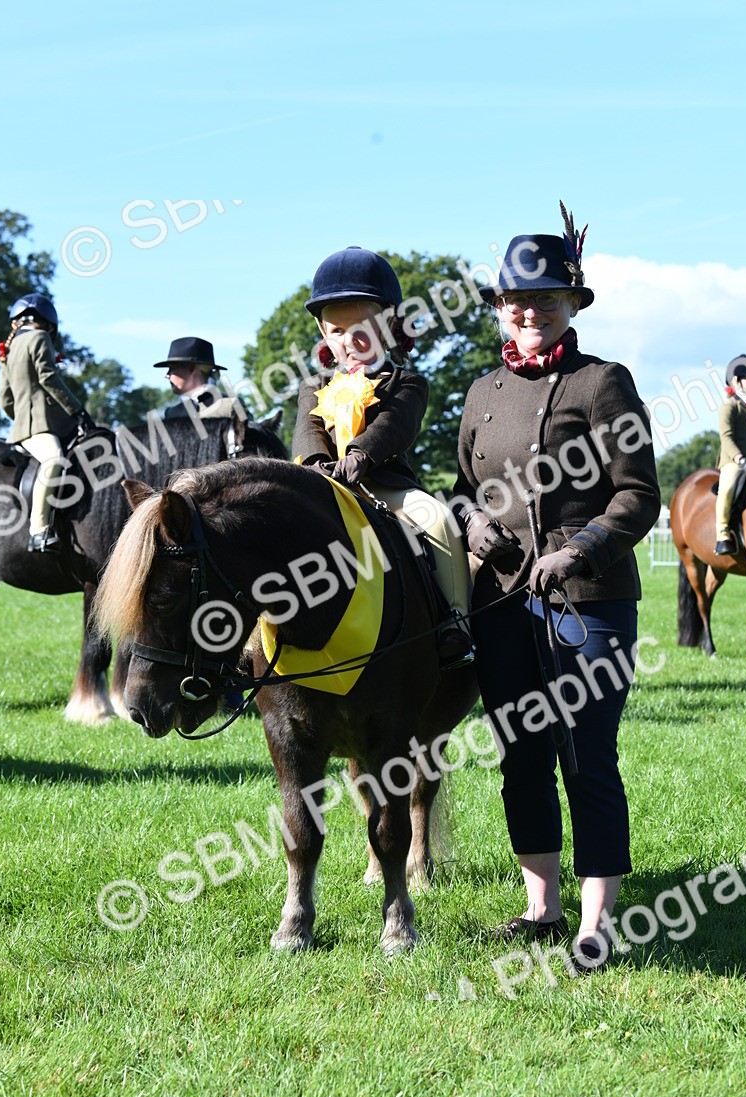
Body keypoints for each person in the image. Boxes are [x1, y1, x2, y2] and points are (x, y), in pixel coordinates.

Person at [453, 205, 661, 969]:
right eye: (516, 300)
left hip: (589, 605)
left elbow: (638, 495)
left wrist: (580, 551)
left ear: (572, 303)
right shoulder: (480, 391)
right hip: (502, 605)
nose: (528, 312)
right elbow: (462, 490)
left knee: (587, 754)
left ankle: (596, 924)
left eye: (544, 299)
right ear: (499, 308)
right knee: (521, 756)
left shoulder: (603, 383)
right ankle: (541, 908)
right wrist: (473, 525)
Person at [292, 246, 484, 665]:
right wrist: (316, 465)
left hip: (383, 485)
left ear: (389, 325)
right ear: (323, 332)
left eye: (362, 327)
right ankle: (254, 638)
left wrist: (360, 456)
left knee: (438, 519)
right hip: (320, 485)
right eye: (337, 330)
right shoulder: (313, 385)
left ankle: (456, 621)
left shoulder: (406, 381)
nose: (349, 340)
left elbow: (394, 425)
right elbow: (308, 429)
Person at [0, 293, 91, 553]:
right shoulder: (39, 337)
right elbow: (48, 378)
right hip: (40, 427)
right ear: (49, 325)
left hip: (24, 427)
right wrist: (77, 410)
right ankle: (38, 530)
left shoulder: (9, 351)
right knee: (54, 460)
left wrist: (20, 420)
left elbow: (5, 399)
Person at [714, 354, 746, 555]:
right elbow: (726, 436)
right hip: (733, 459)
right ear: (736, 381)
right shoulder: (729, 407)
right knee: (728, 488)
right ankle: (722, 534)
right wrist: (739, 458)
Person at [154, 337, 248, 433]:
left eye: (172, 369)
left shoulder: (230, 406)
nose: (167, 375)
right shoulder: (172, 413)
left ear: (193, 370)